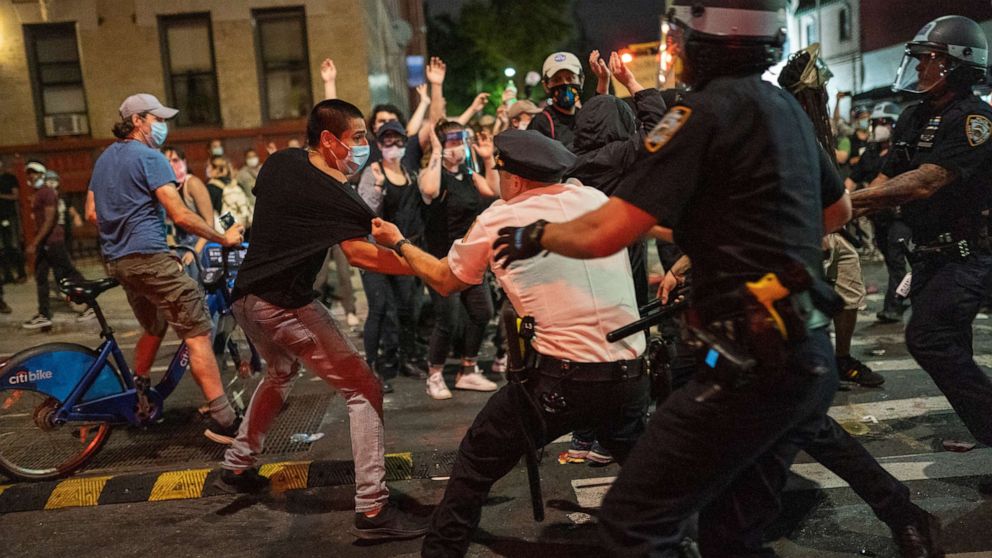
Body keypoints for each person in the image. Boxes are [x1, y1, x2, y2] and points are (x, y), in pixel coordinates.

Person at [492, 2, 939, 555]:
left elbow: (604, 234)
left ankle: (900, 511)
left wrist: (533, 235)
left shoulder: (696, 114)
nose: (675, 50)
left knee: (634, 522)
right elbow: (836, 212)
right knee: (732, 534)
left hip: (740, 361)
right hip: (803, 349)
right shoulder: (785, 106)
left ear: (705, 42)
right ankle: (902, 512)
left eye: (680, 38)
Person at [371, 129, 649, 557]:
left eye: (499, 170)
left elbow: (447, 279)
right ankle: (682, 536)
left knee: (475, 461)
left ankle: (441, 551)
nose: (497, 178)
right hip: (631, 372)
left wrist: (400, 244)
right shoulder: (594, 200)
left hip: (563, 381)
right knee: (650, 475)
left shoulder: (499, 217)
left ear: (516, 180)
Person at [214, 98, 430, 540]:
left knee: (279, 372)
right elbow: (361, 253)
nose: (364, 146)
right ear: (330, 141)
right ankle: (372, 509)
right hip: (283, 305)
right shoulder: (338, 195)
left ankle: (237, 465)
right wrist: (421, 264)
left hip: (245, 299)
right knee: (364, 388)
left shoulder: (279, 162)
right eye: (357, 138)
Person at [850, 15, 992, 491]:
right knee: (954, 341)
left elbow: (927, 181)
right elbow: (886, 177)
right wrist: (841, 203)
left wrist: (851, 204)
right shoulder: (913, 114)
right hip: (928, 255)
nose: (918, 66)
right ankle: (980, 429)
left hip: (967, 254)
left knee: (928, 339)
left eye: (928, 58)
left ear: (956, 66)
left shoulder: (975, 120)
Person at [86, 93, 245, 443]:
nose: (162, 126)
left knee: (154, 326)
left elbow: (92, 213)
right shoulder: (150, 157)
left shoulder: (103, 160)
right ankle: (225, 419)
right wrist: (223, 238)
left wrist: (124, 234)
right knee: (197, 333)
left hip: (118, 261)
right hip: (149, 259)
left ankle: (139, 395)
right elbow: (181, 215)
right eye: (157, 119)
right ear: (138, 121)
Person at [418, 120, 499, 399]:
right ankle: (435, 374)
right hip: (441, 260)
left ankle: (468, 369)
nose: (458, 147)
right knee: (448, 319)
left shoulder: (468, 173)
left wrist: (488, 160)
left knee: (482, 312)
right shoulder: (434, 174)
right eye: (451, 141)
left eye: (460, 140)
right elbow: (428, 191)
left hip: (470, 257)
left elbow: (494, 191)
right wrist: (438, 152)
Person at [357, 121, 429, 385]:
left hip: (404, 251)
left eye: (398, 140)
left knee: (407, 307)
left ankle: (405, 359)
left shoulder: (410, 173)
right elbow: (366, 214)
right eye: (387, 140)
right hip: (376, 252)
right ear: (379, 144)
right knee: (378, 308)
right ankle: (372, 368)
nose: (394, 146)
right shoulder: (372, 173)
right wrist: (377, 188)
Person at [846, 102, 910, 323]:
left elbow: (885, 183)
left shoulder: (901, 151)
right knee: (890, 258)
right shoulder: (871, 152)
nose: (877, 126)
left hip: (898, 216)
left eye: (882, 122)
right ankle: (904, 298)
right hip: (878, 215)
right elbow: (853, 178)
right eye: (875, 122)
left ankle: (895, 306)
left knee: (896, 261)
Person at [22, 170, 90, 329]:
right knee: (41, 276)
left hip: (52, 241)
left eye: (34, 174)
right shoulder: (42, 193)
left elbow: (49, 219)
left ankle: (90, 304)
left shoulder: (47, 193)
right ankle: (44, 314)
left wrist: (35, 242)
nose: (32, 178)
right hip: (47, 242)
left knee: (69, 272)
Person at [162, 146, 217, 278]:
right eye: (166, 161)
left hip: (201, 241)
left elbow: (210, 223)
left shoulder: (192, 183)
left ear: (184, 162)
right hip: (179, 244)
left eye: (175, 160)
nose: (171, 164)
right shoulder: (164, 187)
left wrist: (195, 252)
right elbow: (167, 225)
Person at [0, 158, 26, 285]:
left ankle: (21, 273)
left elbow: (16, 196)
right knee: (2, 247)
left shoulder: (9, 178)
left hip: (10, 215)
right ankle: (7, 274)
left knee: (14, 244)